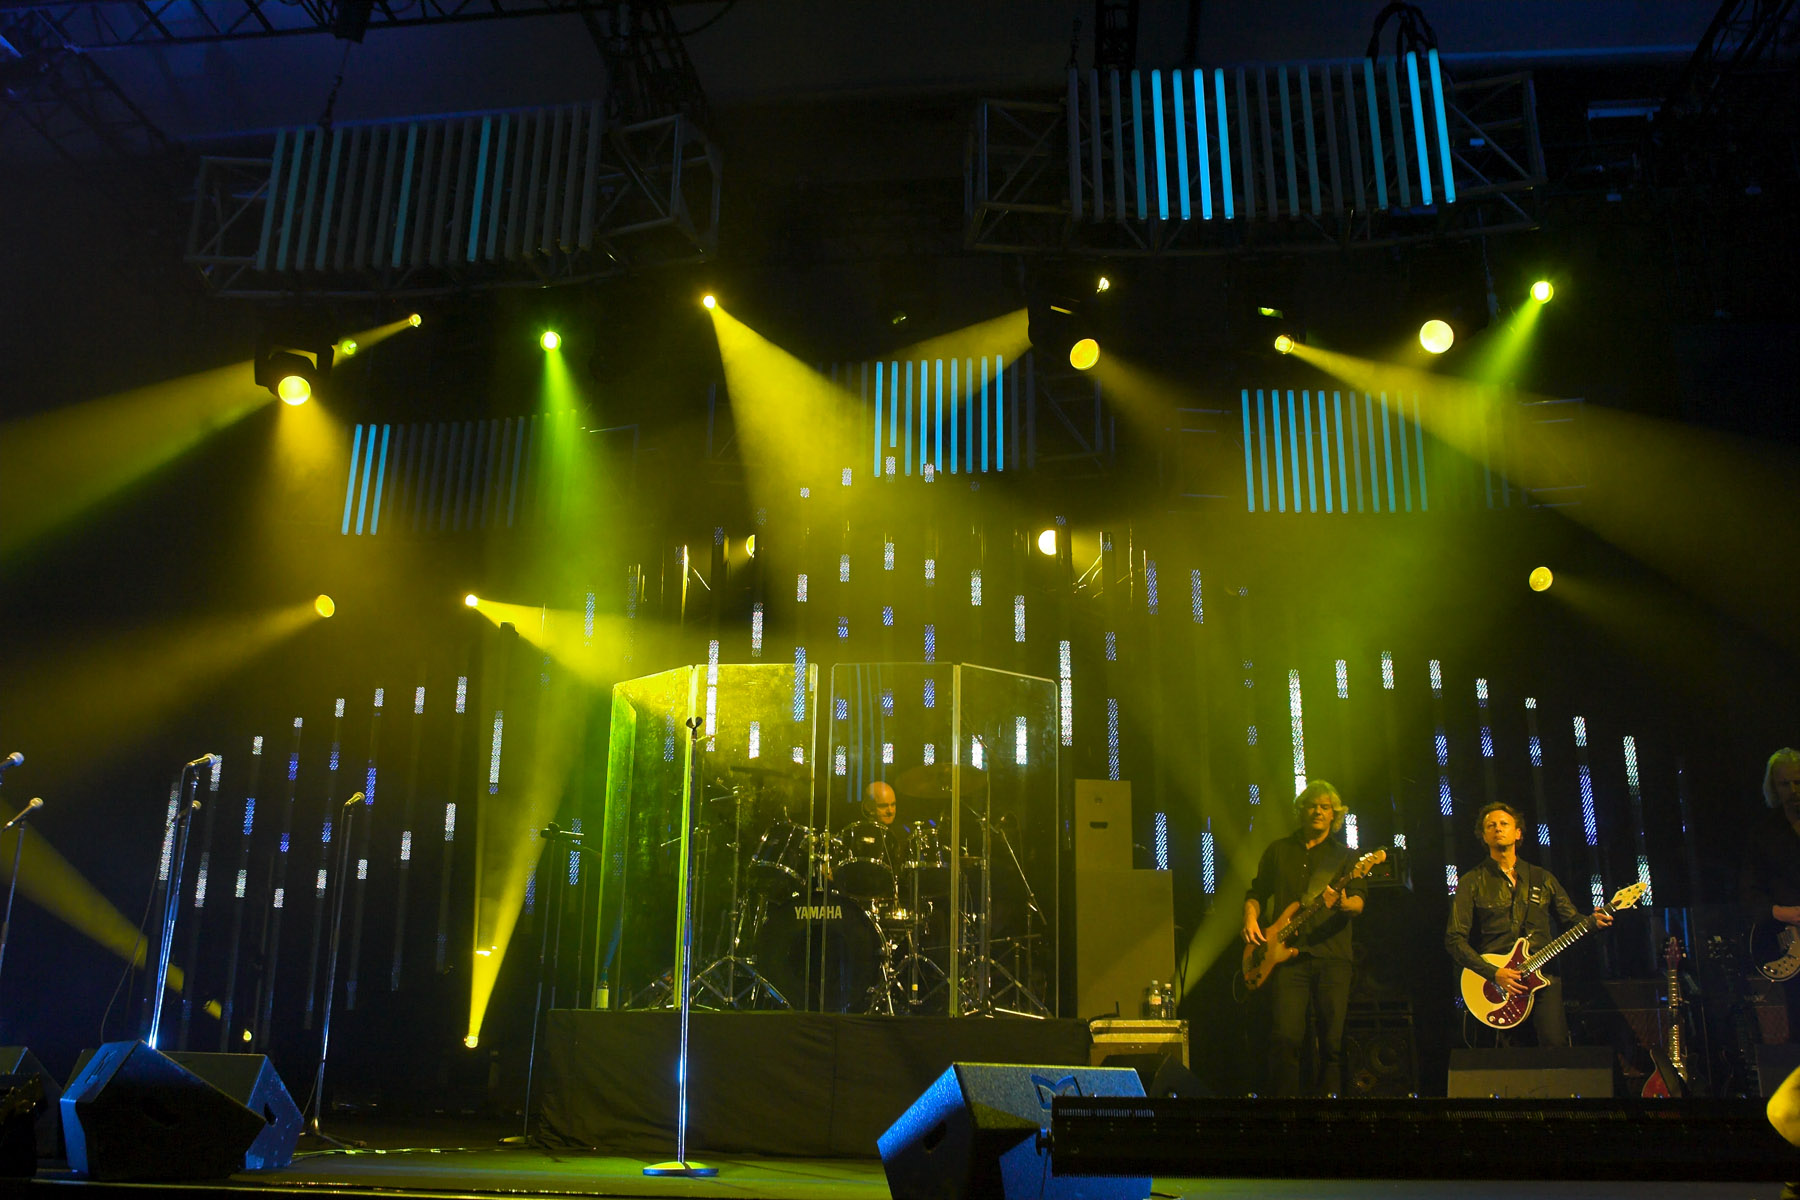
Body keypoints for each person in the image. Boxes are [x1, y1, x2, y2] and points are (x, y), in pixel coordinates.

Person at [1445, 800, 1612, 1046]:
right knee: (1513, 1057)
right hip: (1498, 984)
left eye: (1504, 824)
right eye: (1491, 825)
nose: (1498, 828)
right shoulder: (1471, 881)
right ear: (1483, 836)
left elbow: (1572, 921)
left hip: (1543, 978)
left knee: (1555, 1049)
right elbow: (1454, 939)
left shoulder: (1542, 878)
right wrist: (1494, 973)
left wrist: (1593, 923)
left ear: (1518, 833)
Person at [1242, 780, 1366, 1097]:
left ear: (1335, 814)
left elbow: (1358, 903)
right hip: (1286, 960)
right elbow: (1256, 892)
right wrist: (1250, 917)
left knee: (1332, 1043)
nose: (1318, 811)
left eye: (1325, 807)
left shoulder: (1346, 857)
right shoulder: (1278, 850)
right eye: (1312, 805)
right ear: (1301, 810)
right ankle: (1286, 1111)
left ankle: (1329, 1111)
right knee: (1284, 1038)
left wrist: (1342, 903)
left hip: (1332, 957)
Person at [1739, 748, 1800, 1034]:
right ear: (1774, 788)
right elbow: (1748, 891)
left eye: (1798, 782)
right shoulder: (1764, 834)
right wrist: (1781, 913)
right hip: (1786, 939)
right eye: (1785, 784)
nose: (1793, 791)